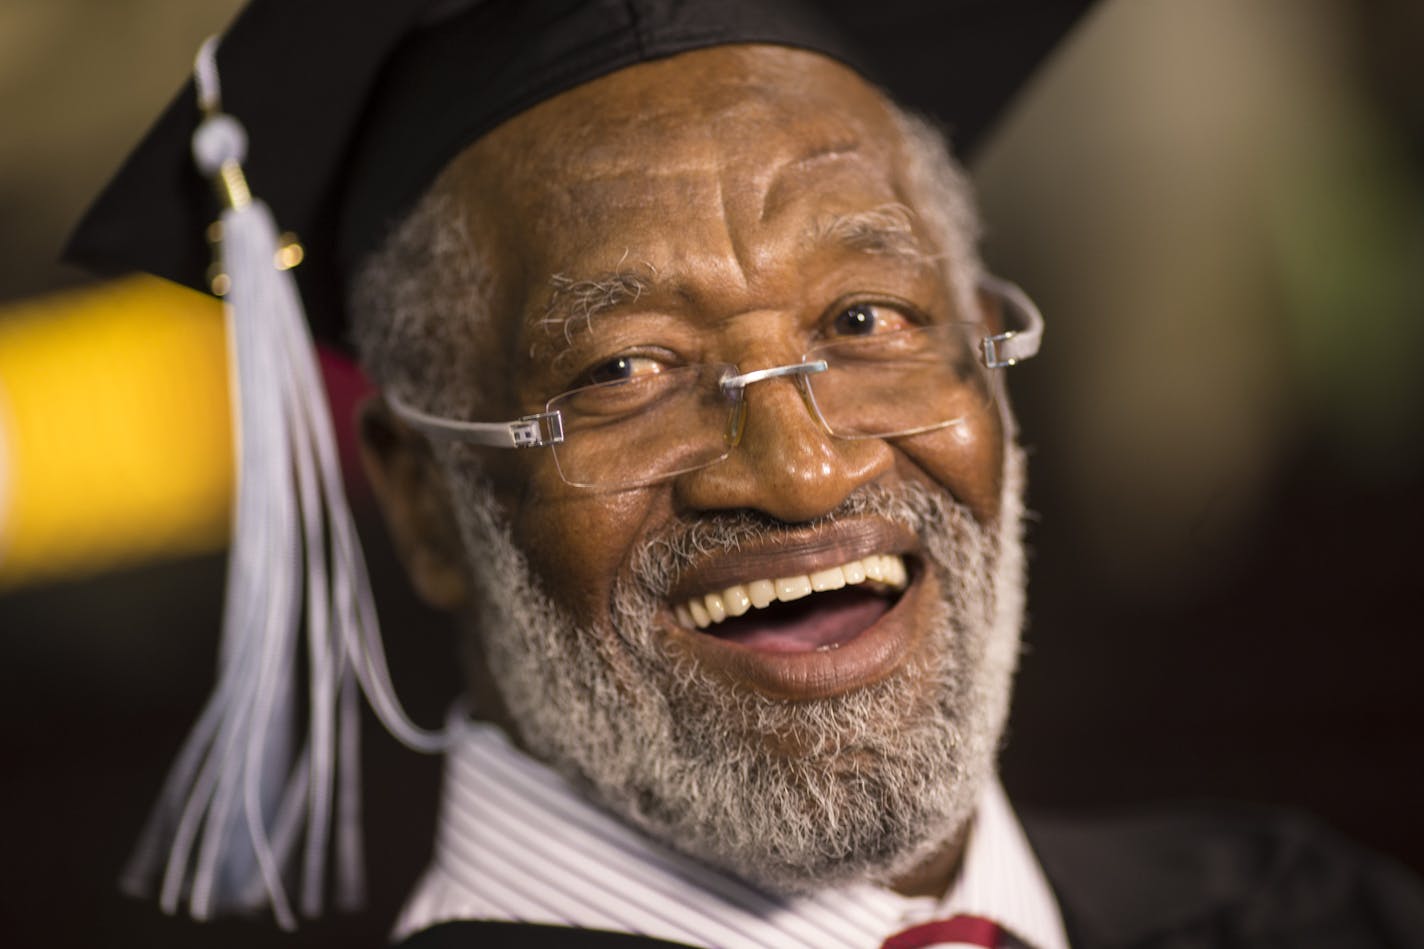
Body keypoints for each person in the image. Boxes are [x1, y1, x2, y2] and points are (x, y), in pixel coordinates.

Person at [67, 1, 1424, 947]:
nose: (801, 464)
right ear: (425, 497)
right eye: (625, 369)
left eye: (864, 321)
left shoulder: (1302, 910)